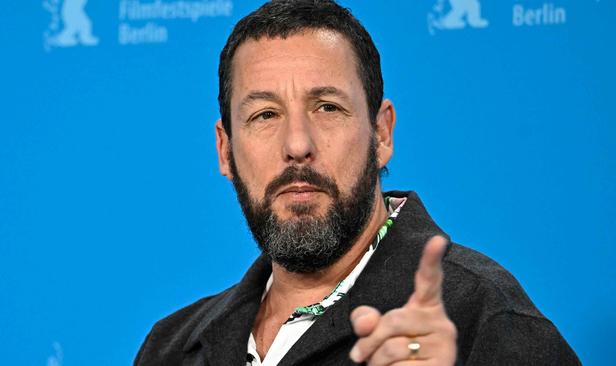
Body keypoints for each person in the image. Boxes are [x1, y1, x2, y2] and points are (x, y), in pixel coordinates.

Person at [134, 1, 581, 365]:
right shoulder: (170, 347)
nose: (297, 145)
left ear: (381, 134)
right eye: (264, 114)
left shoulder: (483, 321)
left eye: (327, 107)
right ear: (225, 150)